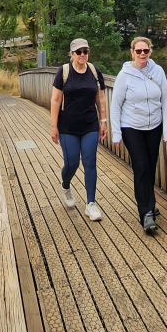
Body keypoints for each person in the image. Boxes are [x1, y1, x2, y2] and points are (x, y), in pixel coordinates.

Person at [109, 36, 167, 234]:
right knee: (141, 166)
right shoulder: (125, 75)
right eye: (139, 51)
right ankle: (145, 213)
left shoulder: (158, 71)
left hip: (154, 126)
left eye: (145, 51)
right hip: (131, 126)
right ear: (132, 52)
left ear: (150, 52)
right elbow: (116, 105)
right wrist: (116, 134)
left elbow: (166, 102)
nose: (142, 54)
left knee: (150, 167)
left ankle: (150, 205)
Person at [49, 37, 107, 221]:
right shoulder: (64, 72)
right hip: (68, 127)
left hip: (90, 124)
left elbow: (101, 98)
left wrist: (103, 120)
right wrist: (54, 126)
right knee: (72, 163)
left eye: (85, 51)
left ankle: (91, 204)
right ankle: (66, 186)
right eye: (79, 52)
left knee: (90, 162)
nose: (83, 55)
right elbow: (56, 100)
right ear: (72, 54)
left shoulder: (94, 71)